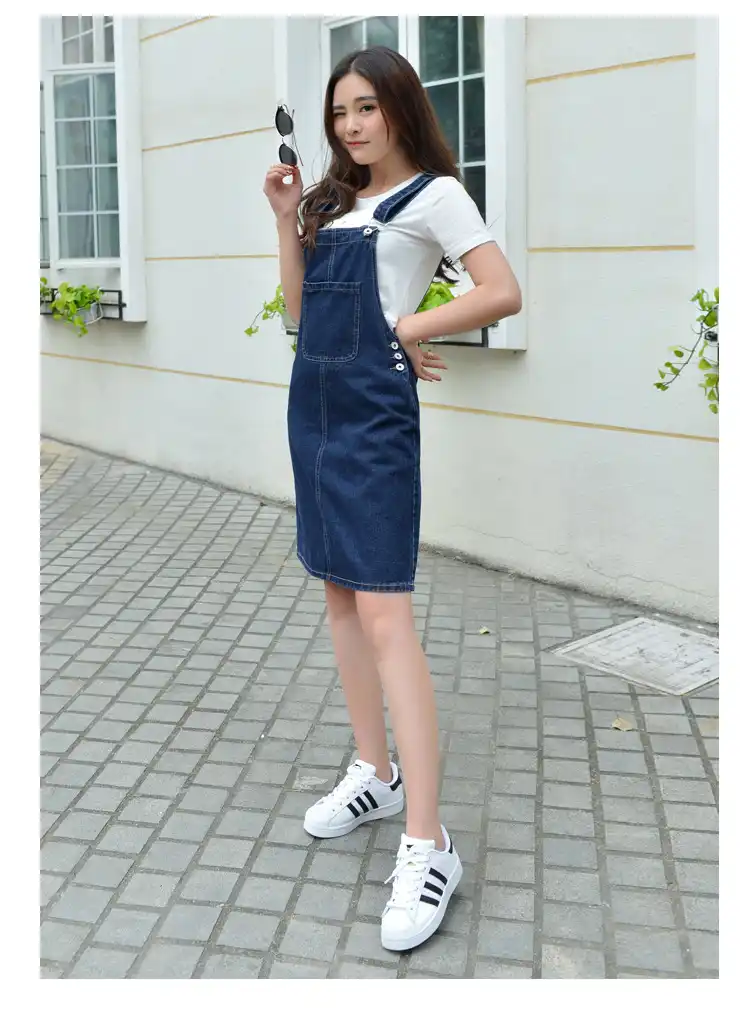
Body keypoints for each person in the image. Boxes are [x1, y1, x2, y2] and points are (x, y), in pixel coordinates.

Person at [262, 45, 522, 952]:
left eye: (366, 107)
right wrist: (287, 221)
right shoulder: (331, 201)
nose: (350, 126)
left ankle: (429, 838)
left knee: (384, 612)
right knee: (339, 594)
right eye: (340, 112)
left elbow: (502, 290)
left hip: (373, 416)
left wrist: (410, 324)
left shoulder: (435, 197)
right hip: (311, 407)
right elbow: (298, 315)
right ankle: (375, 771)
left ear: (401, 108)